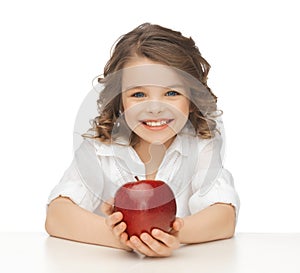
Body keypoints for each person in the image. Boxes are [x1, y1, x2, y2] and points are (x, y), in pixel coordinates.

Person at [45, 23, 240, 257]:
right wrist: (124, 237)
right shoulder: (100, 149)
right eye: (138, 94)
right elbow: (57, 215)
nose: (155, 108)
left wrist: (172, 233)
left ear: (191, 99)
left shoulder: (201, 147)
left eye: (171, 93)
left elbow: (224, 216)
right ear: (120, 101)